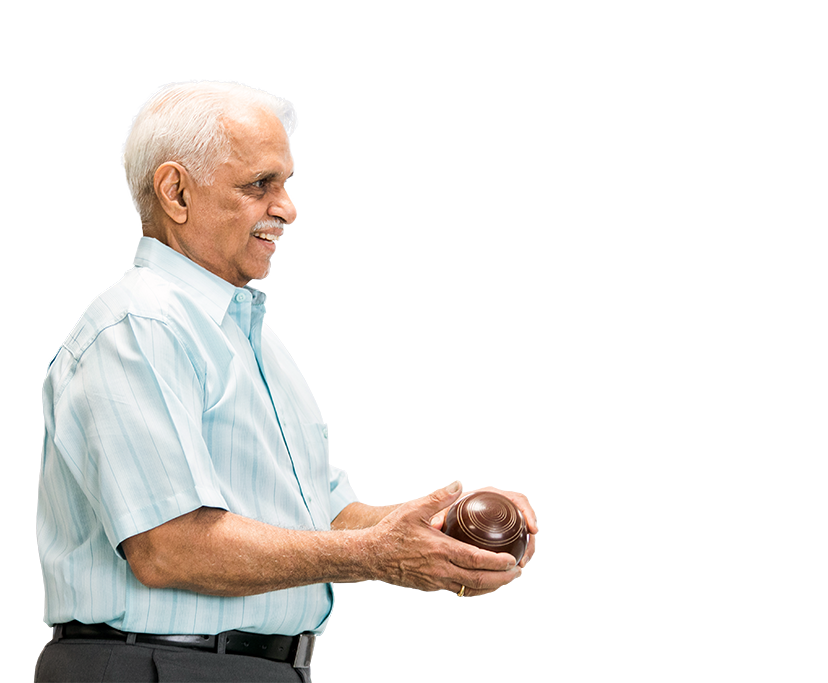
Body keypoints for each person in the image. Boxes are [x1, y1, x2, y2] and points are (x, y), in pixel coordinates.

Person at [35, 81, 538, 683]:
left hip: (257, 669)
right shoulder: (138, 326)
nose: (286, 208)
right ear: (176, 193)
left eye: (286, 183)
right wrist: (378, 556)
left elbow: (324, 520)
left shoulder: (257, 344)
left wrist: (435, 531)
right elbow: (169, 546)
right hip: (158, 665)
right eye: (259, 185)